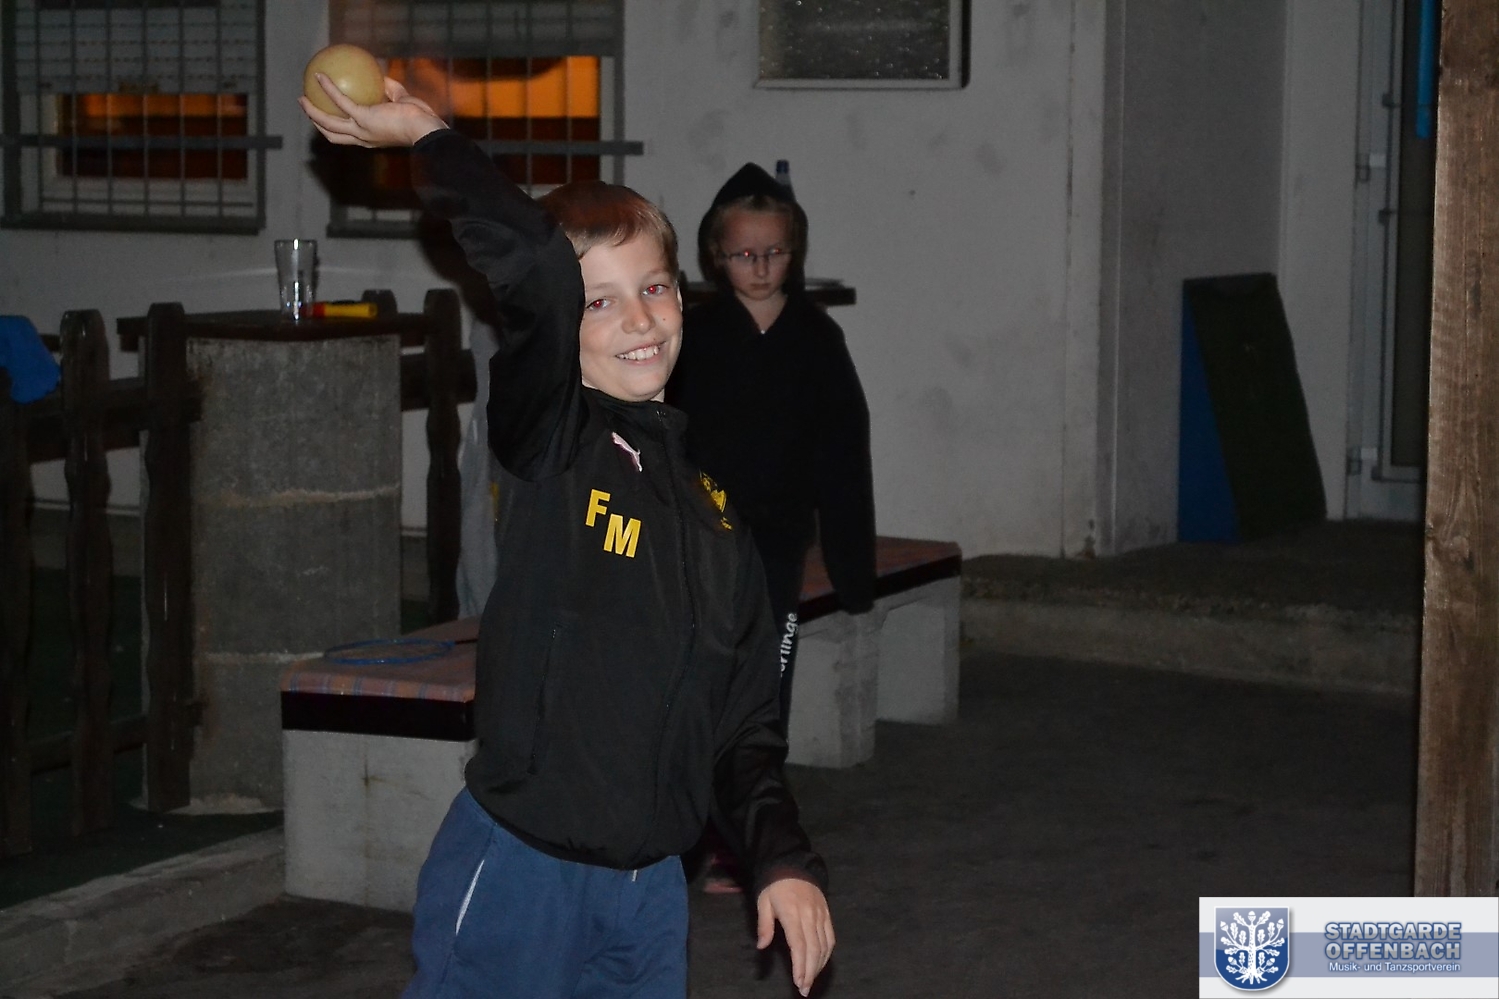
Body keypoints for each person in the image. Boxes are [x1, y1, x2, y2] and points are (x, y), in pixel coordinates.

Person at [300, 77, 834, 999]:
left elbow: (743, 724)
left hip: (649, 891)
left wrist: (781, 858)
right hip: (523, 871)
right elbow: (535, 269)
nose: (638, 318)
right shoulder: (555, 444)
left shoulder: (713, 515)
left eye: (653, 288)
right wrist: (429, 136)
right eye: (599, 302)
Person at [667, 165, 875, 897]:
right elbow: (663, 436)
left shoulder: (817, 338)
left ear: (795, 251)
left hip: (777, 547)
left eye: (773, 252)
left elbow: (844, 450)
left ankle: (748, 845)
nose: (758, 267)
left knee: (765, 690)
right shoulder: (692, 335)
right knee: (697, 688)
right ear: (714, 256)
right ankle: (683, 840)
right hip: (701, 546)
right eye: (742, 254)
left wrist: (851, 566)